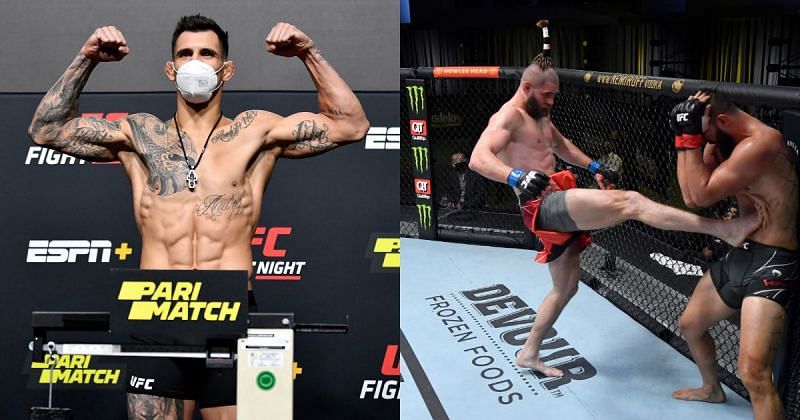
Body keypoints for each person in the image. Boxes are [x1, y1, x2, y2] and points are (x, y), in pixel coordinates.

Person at [27, 15, 368, 420]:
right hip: (155, 315)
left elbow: (352, 125)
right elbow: (45, 130)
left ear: (227, 69)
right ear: (171, 69)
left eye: (207, 54)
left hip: (236, 316)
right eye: (185, 54)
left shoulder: (256, 132)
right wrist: (86, 59)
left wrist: (307, 54)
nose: (195, 62)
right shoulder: (138, 135)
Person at [468, 33, 760, 379]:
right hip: (542, 205)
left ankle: (529, 353)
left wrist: (594, 167)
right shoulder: (509, 117)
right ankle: (723, 229)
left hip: (558, 195)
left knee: (565, 288)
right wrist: (515, 176)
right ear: (527, 87)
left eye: (554, 96)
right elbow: (477, 158)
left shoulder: (541, 112)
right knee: (630, 202)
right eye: (546, 95)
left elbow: (561, 145)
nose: (551, 102)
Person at [669, 91, 797, 420]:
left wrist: (689, 138)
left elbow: (697, 194)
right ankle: (712, 389)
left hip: (772, 261)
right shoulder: (725, 137)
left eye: (708, 134)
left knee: (753, 374)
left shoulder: (762, 145)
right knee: (691, 325)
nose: (707, 143)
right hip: (740, 253)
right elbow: (691, 191)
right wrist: (689, 134)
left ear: (722, 121)